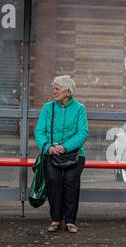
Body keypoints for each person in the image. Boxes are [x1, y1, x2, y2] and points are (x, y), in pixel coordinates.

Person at [35, 75, 89, 233]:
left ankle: (71, 220)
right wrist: (47, 147)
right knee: (54, 181)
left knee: (71, 181)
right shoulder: (48, 108)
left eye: (57, 88)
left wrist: (65, 147)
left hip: (75, 154)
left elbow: (83, 132)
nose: (54, 91)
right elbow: (39, 131)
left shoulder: (80, 109)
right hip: (51, 153)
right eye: (54, 88)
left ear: (68, 91)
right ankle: (56, 219)